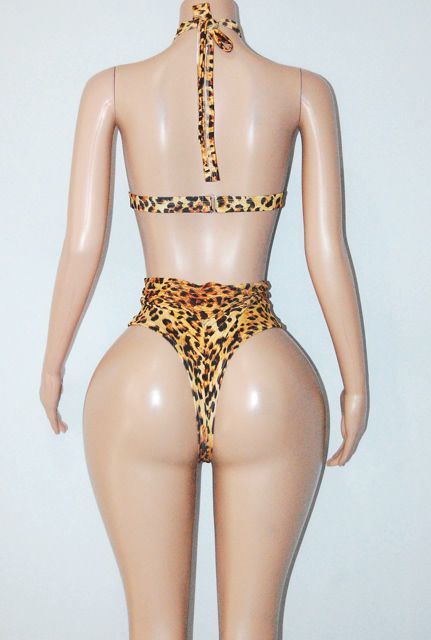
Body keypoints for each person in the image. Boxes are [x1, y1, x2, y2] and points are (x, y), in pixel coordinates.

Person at [40, 1, 369, 637]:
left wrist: (53, 363)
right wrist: (355, 383)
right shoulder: (304, 89)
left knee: (154, 629)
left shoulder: (112, 88)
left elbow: (82, 243)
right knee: (253, 629)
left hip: (148, 371)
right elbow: (327, 248)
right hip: (261, 369)